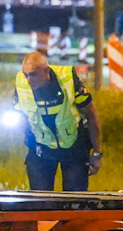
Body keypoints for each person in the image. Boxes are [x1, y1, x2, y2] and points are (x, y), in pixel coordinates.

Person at [13, 50, 102, 191]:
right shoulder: (22, 84)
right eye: (26, 75)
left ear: (46, 71)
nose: (29, 80)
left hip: (73, 147)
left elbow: (91, 114)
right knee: (39, 203)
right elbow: (20, 117)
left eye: (34, 74)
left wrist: (97, 153)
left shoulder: (67, 79)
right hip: (41, 149)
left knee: (74, 202)